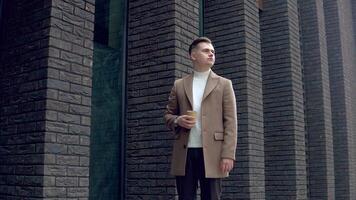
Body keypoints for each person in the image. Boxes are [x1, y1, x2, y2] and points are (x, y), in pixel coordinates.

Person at [164, 37, 238, 200]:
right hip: (185, 153)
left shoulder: (224, 84)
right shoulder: (179, 85)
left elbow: (231, 122)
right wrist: (178, 120)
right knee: (185, 197)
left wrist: (228, 154)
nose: (211, 54)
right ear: (193, 55)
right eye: (206, 51)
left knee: (211, 197)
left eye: (213, 51)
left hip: (213, 153)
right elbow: (168, 115)